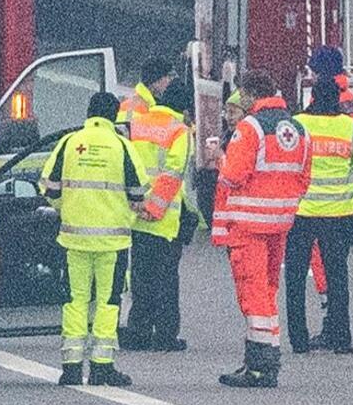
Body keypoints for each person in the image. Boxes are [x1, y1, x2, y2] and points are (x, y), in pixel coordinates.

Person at [209, 70, 309, 388]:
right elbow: (304, 178)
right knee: (267, 292)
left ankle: (260, 364)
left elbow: (233, 176)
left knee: (253, 295)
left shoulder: (250, 128)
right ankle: (265, 360)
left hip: (249, 224)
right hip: (281, 222)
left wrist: (220, 161)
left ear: (251, 95)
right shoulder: (297, 128)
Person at [40, 91, 145, 387]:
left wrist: (68, 210)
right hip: (113, 242)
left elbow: (49, 187)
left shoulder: (70, 142)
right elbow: (139, 193)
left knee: (74, 301)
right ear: (113, 116)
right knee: (108, 302)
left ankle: (71, 367)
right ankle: (102, 366)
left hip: (73, 240)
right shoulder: (122, 146)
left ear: (89, 113)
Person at [287, 77, 353, 355]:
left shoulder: (299, 124)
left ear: (312, 97)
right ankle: (341, 339)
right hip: (339, 214)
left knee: (296, 277)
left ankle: (298, 340)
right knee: (337, 277)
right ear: (338, 100)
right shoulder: (350, 128)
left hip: (302, 213)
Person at [118, 74, 193, 353]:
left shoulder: (138, 124)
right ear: (184, 108)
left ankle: (138, 331)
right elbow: (174, 174)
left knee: (141, 277)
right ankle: (165, 335)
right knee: (166, 280)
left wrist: (137, 204)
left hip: (136, 215)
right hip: (163, 220)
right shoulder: (179, 131)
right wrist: (155, 208)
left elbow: (126, 164)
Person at [120, 55, 177, 125]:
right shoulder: (134, 107)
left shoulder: (148, 103)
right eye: (168, 77)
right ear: (156, 81)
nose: (169, 81)